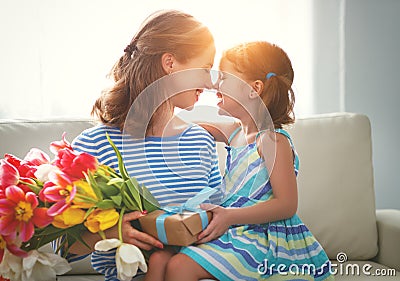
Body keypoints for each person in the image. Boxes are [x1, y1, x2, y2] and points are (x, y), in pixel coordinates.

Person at [53, 9, 223, 281]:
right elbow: (56, 249)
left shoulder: (201, 141)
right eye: (204, 68)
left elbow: (221, 220)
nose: (211, 81)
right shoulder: (96, 145)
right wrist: (108, 233)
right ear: (170, 63)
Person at [153, 41, 333, 280]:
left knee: (180, 266)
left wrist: (229, 216)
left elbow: (287, 204)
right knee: (159, 258)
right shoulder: (234, 132)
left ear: (254, 89)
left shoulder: (272, 141)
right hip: (235, 229)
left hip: (263, 238)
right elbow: (180, 125)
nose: (215, 84)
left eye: (225, 78)